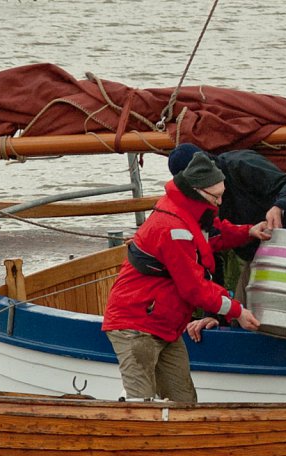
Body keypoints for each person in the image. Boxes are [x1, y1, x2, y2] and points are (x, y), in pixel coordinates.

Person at [102, 152, 270, 402]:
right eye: (217, 197)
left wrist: (248, 232)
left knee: (184, 402)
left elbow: (211, 234)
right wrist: (237, 311)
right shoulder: (173, 229)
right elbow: (195, 289)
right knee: (141, 403)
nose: (221, 202)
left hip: (165, 325)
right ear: (197, 191)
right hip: (136, 324)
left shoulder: (188, 211)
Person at [166, 143, 286, 299]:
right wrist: (214, 313)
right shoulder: (196, 198)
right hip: (257, 253)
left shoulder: (242, 164)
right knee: (240, 315)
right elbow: (211, 246)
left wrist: (279, 207)